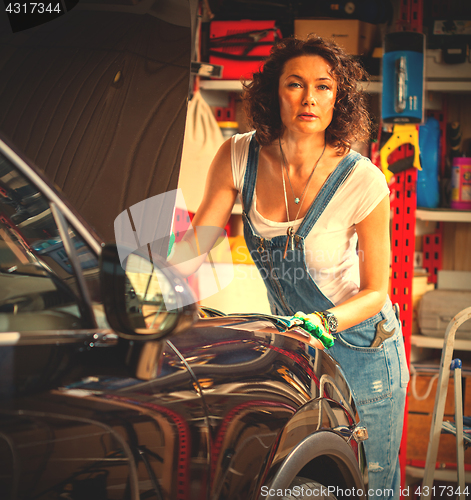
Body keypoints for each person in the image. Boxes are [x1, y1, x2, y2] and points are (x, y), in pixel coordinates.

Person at [171, 34, 409, 499]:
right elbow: (194, 247)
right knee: (309, 482)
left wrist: (323, 321)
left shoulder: (363, 180)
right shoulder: (238, 156)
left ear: (338, 97)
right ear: (272, 92)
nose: (309, 98)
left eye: (323, 87)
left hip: (364, 352)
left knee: (369, 486)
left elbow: (377, 291)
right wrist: (148, 281)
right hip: (297, 347)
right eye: (295, 84)